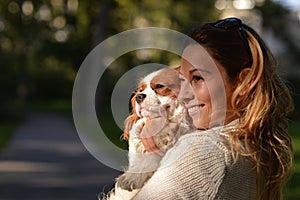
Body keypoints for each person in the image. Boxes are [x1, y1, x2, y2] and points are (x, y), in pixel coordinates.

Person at [132, 17, 294, 200]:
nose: (183, 94)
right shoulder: (257, 151)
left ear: (245, 82)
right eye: (182, 80)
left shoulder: (202, 153)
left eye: (198, 78)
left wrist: (149, 164)